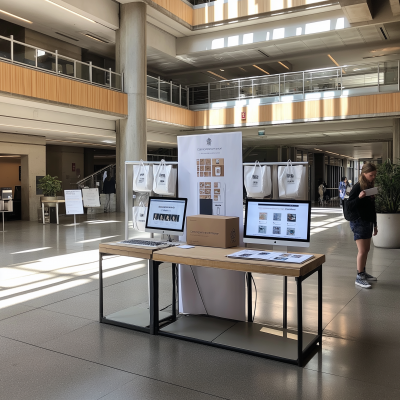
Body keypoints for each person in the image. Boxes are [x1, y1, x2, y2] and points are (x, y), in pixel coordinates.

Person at [346, 163, 378, 289]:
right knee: (363, 250)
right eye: (371, 175)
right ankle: (359, 276)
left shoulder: (370, 186)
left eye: (375, 175)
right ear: (364, 174)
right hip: (358, 221)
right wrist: (359, 198)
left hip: (367, 221)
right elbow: (349, 205)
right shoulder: (357, 187)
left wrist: (375, 224)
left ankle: (363, 272)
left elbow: (372, 208)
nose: (373, 177)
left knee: (367, 250)